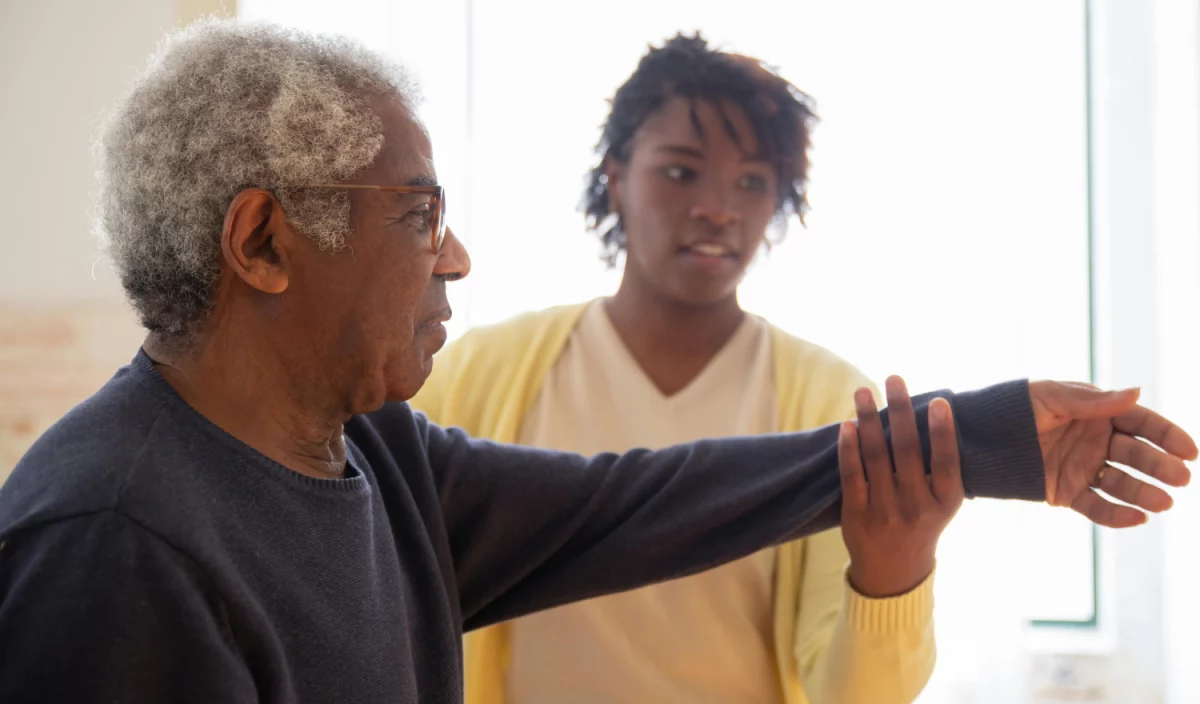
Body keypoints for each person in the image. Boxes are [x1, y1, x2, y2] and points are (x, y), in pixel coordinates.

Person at [0, 21, 1192, 704]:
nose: (455, 255)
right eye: (417, 213)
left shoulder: (375, 449)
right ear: (263, 241)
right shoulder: (114, 542)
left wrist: (986, 440)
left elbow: (642, 502)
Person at [412, 33, 958, 704]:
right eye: (681, 171)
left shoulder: (833, 406)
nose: (718, 208)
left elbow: (854, 694)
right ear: (616, 177)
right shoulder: (476, 373)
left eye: (753, 182)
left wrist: (895, 574)